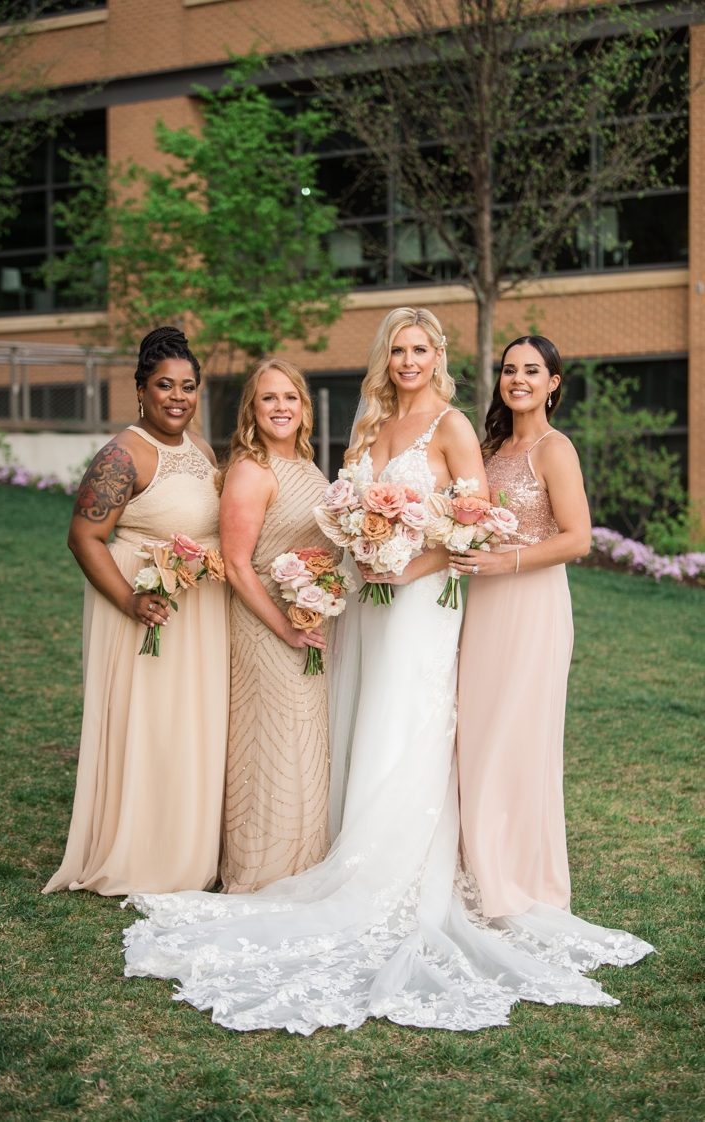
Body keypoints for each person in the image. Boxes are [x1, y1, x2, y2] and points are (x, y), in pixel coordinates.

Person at [122, 307, 652, 1035]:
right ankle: (348, 845)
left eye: (420, 350)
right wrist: (356, 553)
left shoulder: (455, 426)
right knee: (363, 712)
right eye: (398, 350)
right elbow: (344, 509)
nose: (408, 361)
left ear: (438, 356)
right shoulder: (369, 425)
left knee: (406, 718)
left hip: (421, 600)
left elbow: (475, 519)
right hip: (367, 598)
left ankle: (393, 872)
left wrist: (408, 566)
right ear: (387, 357)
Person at [43, 326, 228, 897]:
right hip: (149, 605)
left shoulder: (198, 447)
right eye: (164, 386)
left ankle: (192, 847)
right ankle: (147, 853)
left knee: (193, 727)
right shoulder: (123, 454)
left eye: (188, 386)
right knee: (155, 729)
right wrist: (129, 600)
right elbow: (83, 536)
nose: (178, 396)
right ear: (141, 391)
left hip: (201, 605)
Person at [451, 335, 591, 917]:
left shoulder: (555, 450)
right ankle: (475, 863)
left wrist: (502, 559)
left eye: (532, 371)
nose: (519, 380)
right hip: (481, 604)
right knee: (475, 732)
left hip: (532, 604)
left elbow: (578, 538)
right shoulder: (490, 448)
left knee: (519, 736)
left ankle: (517, 875)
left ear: (553, 382)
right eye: (510, 370)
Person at [217, 357, 335, 893]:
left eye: (290, 397)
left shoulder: (311, 471)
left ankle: (304, 867)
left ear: (304, 408)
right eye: (269, 398)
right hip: (264, 625)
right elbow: (238, 564)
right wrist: (285, 629)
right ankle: (263, 871)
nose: (281, 407)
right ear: (252, 409)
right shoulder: (252, 470)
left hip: (307, 622)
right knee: (272, 743)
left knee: (305, 742)